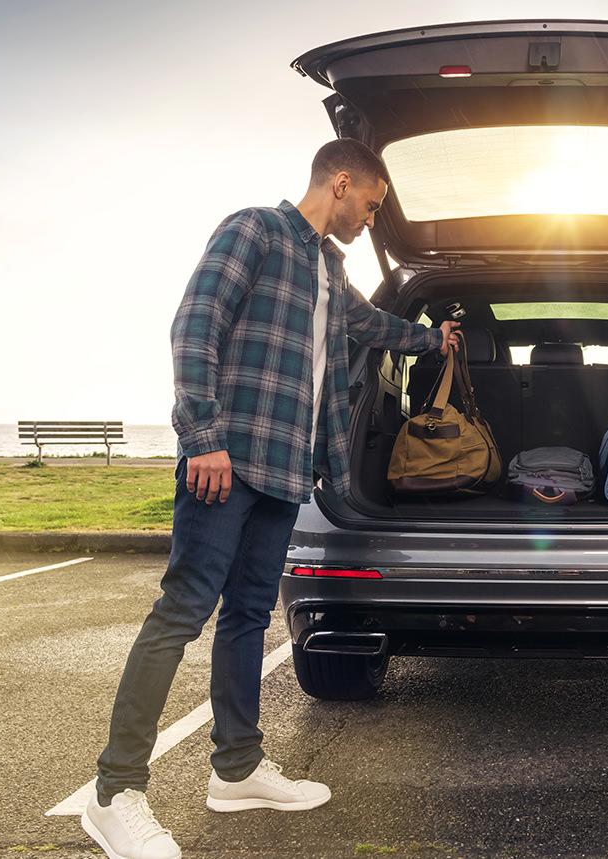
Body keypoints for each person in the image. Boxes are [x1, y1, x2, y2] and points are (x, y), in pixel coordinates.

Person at [82, 138, 459, 859]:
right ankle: (114, 790)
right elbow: (194, 327)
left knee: (251, 616)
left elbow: (374, 327)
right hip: (225, 461)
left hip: (285, 470)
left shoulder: (328, 268)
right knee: (183, 609)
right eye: (372, 207)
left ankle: (237, 768)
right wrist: (203, 436)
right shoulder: (254, 229)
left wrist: (433, 340)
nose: (373, 221)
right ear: (341, 183)